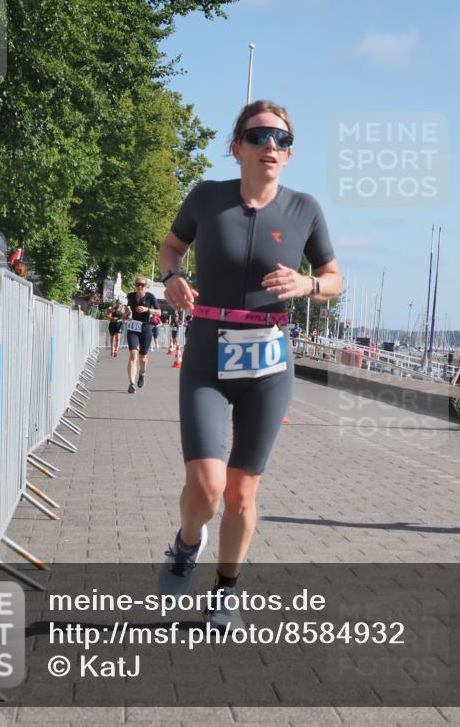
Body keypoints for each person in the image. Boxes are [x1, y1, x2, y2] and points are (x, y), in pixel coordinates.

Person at [156, 100, 342, 627]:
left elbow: (334, 279)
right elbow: (170, 247)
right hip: (207, 357)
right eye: (259, 136)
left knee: (241, 493)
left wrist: (308, 283)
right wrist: (171, 277)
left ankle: (225, 592)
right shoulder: (207, 198)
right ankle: (186, 542)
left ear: (290, 154)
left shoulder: (304, 209)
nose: (271, 146)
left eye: (282, 139)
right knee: (207, 488)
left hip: (269, 364)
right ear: (237, 147)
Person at [125, 277, 161, 393]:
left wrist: (147, 309)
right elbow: (127, 309)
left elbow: (159, 312)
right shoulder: (130, 296)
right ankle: (131, 383)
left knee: (143, 357)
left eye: (142, 284)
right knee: (133, 355)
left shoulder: (150, 296)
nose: (139, 286)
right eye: (137, 284)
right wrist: (127, 311)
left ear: (146, 286)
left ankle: (142, 374)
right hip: (133, 327)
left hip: (146, 327)